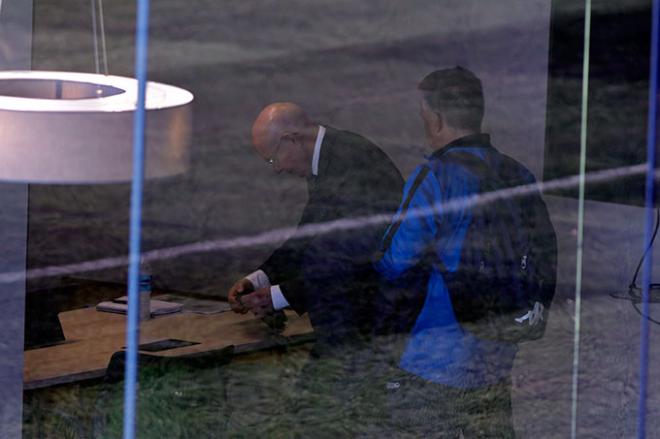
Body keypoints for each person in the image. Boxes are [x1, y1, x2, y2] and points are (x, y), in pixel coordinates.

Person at [373, 67, 557, 438]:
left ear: (436, 119)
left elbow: (395, 261)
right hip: (497, 356)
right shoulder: (518, 174)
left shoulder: (435, 175)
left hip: (434, 358)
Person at [229, 102, 403, 348]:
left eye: (272, 158)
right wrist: (259, 280)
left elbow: (349, 258)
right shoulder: (331, 158)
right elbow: (307, 237)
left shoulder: (352, 163)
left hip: (370, 325)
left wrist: (279, 296)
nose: (277, 169)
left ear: (292, 140)